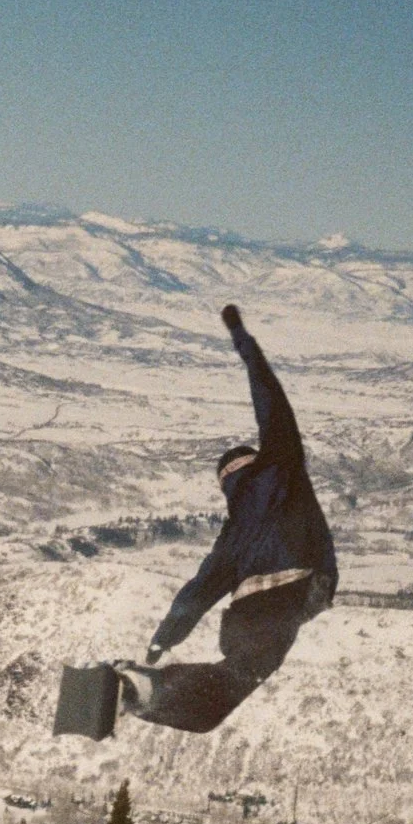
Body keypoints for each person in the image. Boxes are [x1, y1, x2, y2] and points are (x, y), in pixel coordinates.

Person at [116, 305, 337, 733]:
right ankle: (147, 689)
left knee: (222, 690)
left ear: (224, 485)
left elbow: (199, 591)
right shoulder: (281, 468)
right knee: (234, 680)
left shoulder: (233, 535)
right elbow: (269, 397)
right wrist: (242, 338)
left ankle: (143, 692)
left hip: (244, 614)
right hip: (294, 591)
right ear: (252, 459)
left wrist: (165, 637)